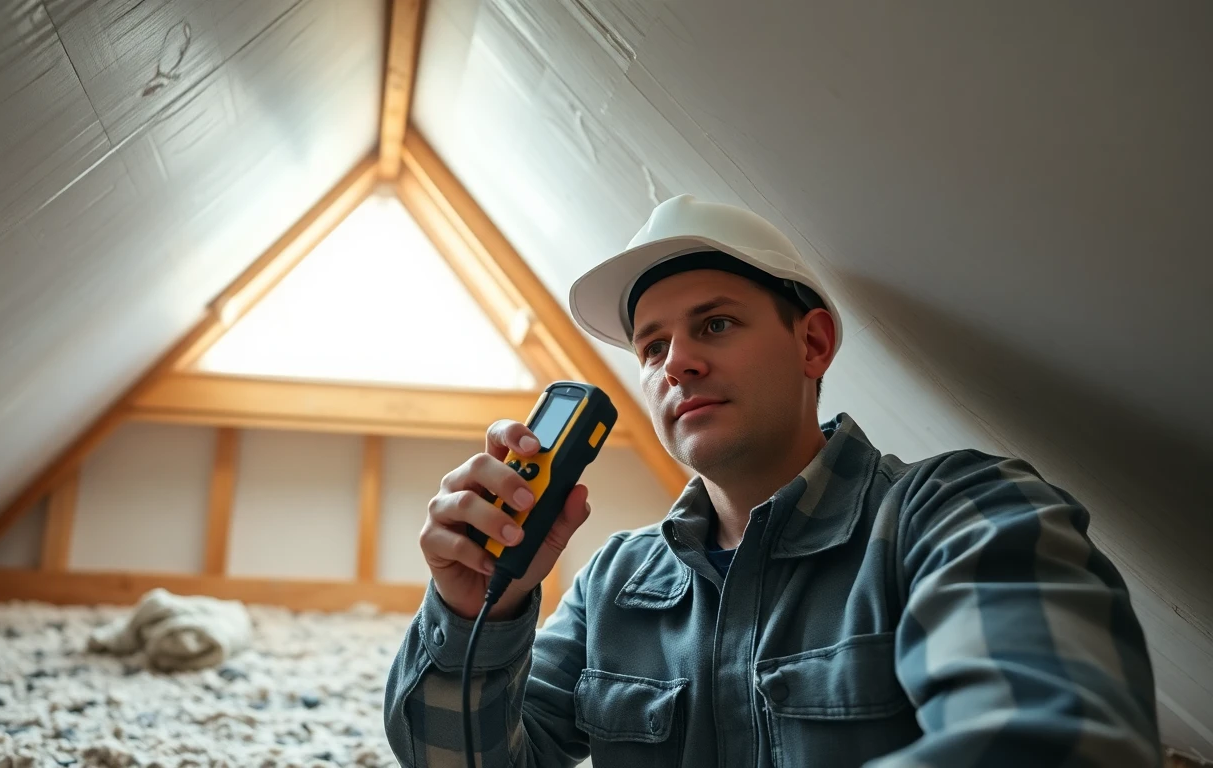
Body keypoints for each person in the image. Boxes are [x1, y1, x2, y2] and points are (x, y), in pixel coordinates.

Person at [382, 195, 1161, 767]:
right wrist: (469, 602)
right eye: (650, 348)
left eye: (714, 324)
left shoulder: (962, 515)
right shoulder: (614, 584)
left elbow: (1060, 742)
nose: (675, 362)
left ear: (812, 342)